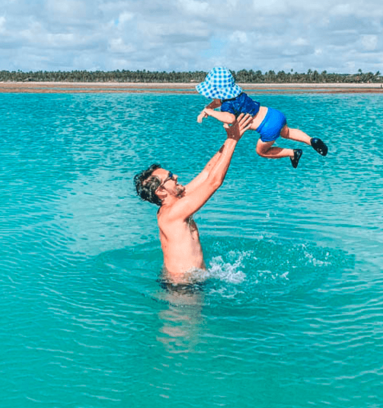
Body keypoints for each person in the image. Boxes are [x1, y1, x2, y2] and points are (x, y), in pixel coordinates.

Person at [134, 113, 253, 282]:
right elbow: (214, 182)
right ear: (161, 192)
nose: (175, 176)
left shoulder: (175, 202)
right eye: (169, 177)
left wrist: (230, 139)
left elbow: (207, 172)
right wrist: (233, 140)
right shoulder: (174, 212)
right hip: (184, 286)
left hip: (180, 280)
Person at [196, 67, 328, 168]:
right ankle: (311, 140)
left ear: (217, 92)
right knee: (288, 132)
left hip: (267, 127)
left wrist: (210, 111)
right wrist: (208, 109)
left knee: (262, 152)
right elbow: (218, 102)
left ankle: (293, 153)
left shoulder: (227, 106)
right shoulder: (239, 95)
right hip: (275, 114)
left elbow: (229, 118)